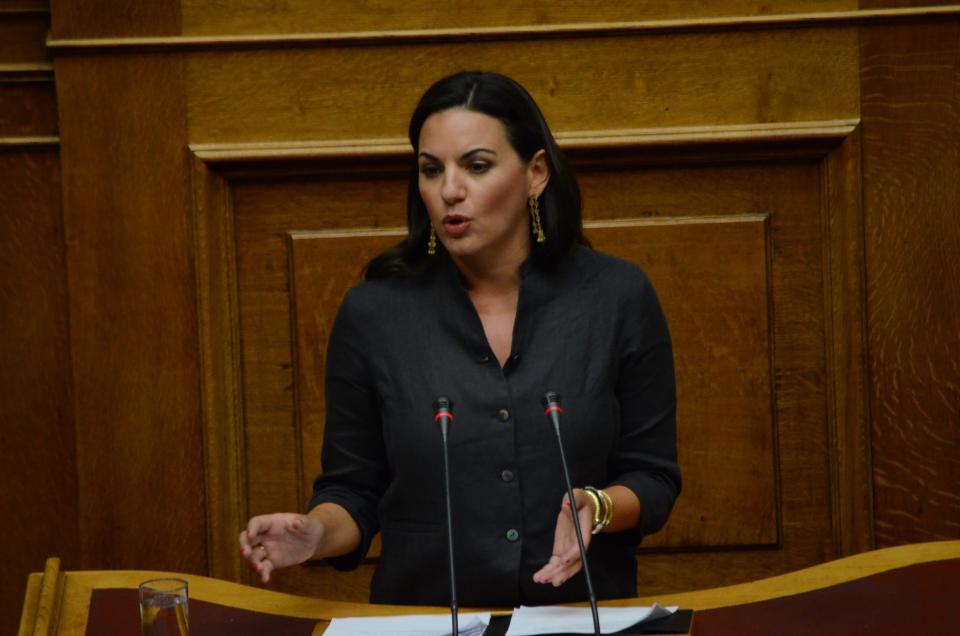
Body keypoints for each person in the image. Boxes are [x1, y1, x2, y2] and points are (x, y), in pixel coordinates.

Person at [239, 71, 681, 607]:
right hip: (426, 619)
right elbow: (354, 492)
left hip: (574, 617)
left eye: (476, 166)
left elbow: (653, 476)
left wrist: (598, 505)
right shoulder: (374, 314)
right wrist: (315, 534)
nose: (449, 189)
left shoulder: (616, 296)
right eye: (431, 170)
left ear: (536, 173)